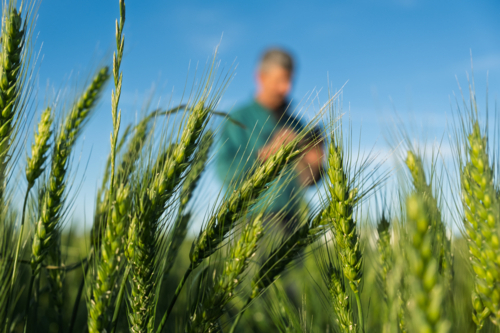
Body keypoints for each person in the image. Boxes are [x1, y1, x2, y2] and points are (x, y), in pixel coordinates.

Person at [216, 48, 323, 227]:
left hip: (291, 221)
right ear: (261, 77)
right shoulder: (238, 118)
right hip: (246, 221)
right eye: (280, 80)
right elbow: (223, 171)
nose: (286, 88)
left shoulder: (297, 124)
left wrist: (315, 163)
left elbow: (308, 182)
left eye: (290, 80)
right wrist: (266, 154)